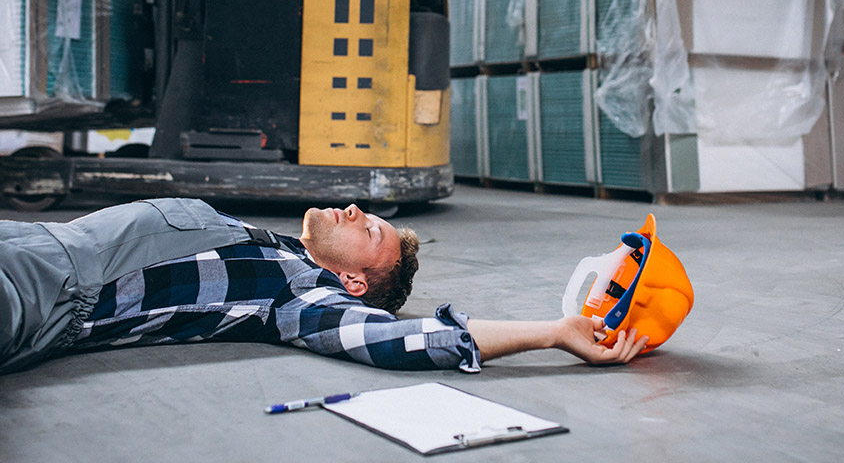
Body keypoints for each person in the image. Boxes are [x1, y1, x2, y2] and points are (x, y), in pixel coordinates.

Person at [0, 197, 647, 375]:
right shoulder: (269, 245)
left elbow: (410, 339)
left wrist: (557, 332)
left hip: (47, 290)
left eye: (370, 232)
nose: (357, 211)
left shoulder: (295, 293)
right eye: (370, 216)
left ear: (351, 281)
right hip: (30, 243)